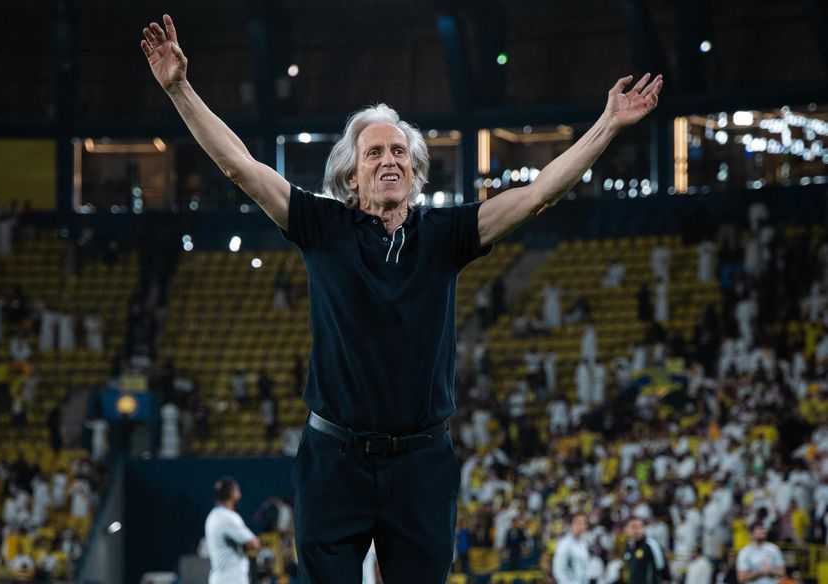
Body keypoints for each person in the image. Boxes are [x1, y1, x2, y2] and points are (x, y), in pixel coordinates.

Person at [141, 14, 662, 583]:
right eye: (374, 153)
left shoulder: (446, 235)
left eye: (399, 152)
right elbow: (240, 167)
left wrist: (608, 124)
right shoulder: (322, 225)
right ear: (352, 175)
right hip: (334, 461)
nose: (389, 160)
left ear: (414, 172)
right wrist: (180, 89)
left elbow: (538, 194)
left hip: (421, 464)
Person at [203, 477, 261, 584]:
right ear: (231, 494)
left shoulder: (212, 516)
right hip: (231, 579)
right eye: (237, 491)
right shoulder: (227, 517)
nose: (239, 495)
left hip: (219, 579)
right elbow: (254, 543)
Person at [623, 516, 670, 584]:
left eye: (639, 527)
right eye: (633, 527)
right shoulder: (628, 546)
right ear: (626, 529)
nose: (636, 531)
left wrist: (666, 580)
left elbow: (662, 568)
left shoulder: (651, 545)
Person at [553, 513, 590, 584]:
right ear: (571, 524)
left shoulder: (583, 544)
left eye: (583, 523)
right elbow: (558, 570)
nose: (580, 526)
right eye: (577, 522)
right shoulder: (565, 543)